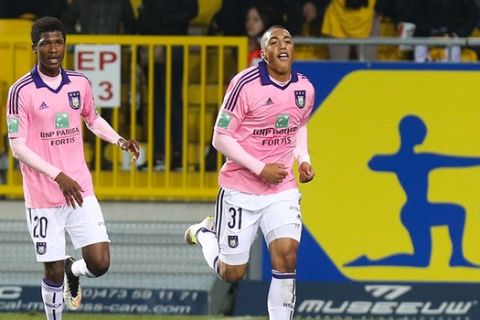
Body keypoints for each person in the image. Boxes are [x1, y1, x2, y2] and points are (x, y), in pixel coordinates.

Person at [5, 16, 140, 320]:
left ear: (65, 44)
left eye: (58, 42)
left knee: (100, 262)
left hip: (78, 187)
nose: (53, 49)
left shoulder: (79, 82)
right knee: (51, 272)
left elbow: (92, 119)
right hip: (43, 195)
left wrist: (119, 140)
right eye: (45, 43)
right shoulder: (20, 91)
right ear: (33, 48)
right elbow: (18, 147)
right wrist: (57, 175)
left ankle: (73, 269)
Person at [184, 25, 315, 319]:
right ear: (263, 52)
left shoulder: (304, 87)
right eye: (274, 41)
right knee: (232, 273)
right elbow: (220, 138)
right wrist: (260, 168)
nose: (282, 45)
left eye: (288, 41)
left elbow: (299, 124)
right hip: (241, 189)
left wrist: (303, 158)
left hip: (282, 189)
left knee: (286, 257)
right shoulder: (244, 84)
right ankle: (205, 233)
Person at [345, 115, 480, 267]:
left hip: (420, 210)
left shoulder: (409, 159)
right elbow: (373, 163)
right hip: (414, 212)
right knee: (421, 260)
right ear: (412, 135)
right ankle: (370, 262)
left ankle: (457, 257)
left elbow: (455, 161)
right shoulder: (418, 159)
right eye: (421, 132)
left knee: (455, 214)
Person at [61, 0, 136, 170]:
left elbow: (66, 21)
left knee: (99, 108)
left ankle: (98, 154)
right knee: (89, 109)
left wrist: (83, 38)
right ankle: (95, 154)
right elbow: (131, 25)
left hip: (100, 55)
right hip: (101, 55)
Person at [137, 0, 198, 171]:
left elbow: (191, 10)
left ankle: (177, 155)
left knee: (173, 101)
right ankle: (159, 155)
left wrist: (161, 23)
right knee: (157, 102)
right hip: (153, 45)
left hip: (174, 44)